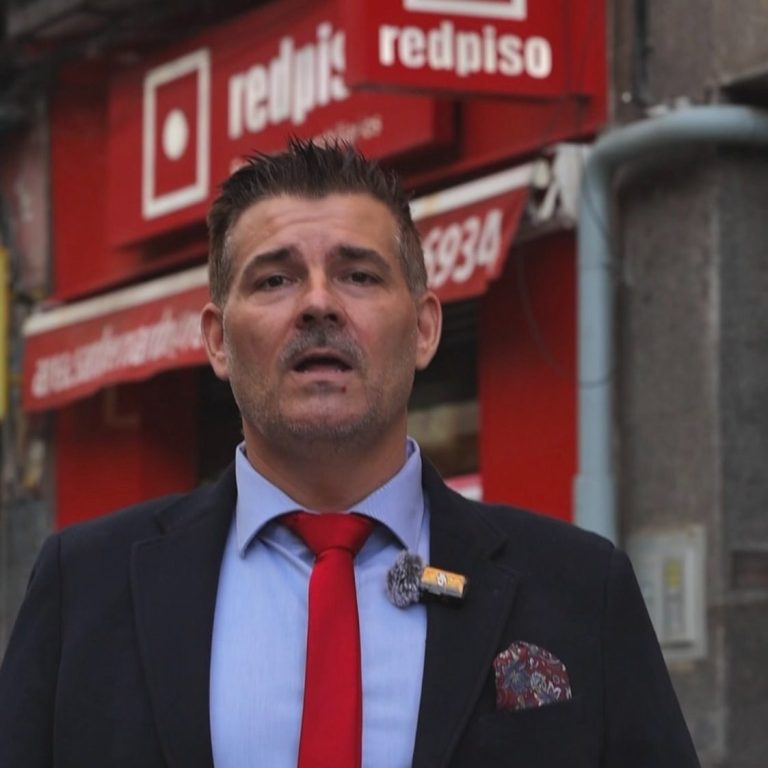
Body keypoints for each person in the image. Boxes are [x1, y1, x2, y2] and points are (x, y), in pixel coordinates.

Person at [0, 139, 700, 768]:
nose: (318, 304)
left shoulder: (580, 589)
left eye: (359, 275)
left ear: (425, 329)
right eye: (274, 279)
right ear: (216, 341)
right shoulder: (84, 588)